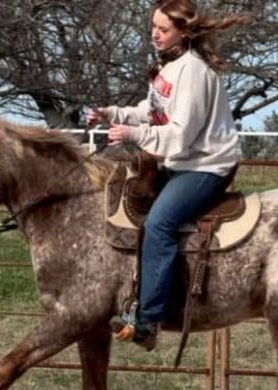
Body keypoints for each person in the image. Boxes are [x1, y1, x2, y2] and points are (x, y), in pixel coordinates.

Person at [88, 0, 248, 350]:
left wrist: (132, 134)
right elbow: (152, 110)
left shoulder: (193, 71)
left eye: (163, 29)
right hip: (181, 162)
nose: (155, 35)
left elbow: (181, 134)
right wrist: (112, 113)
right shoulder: (171, 66)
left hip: (205, 166)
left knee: (159, 224)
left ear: (184, 32)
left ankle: (149, 320)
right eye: (153, 27)